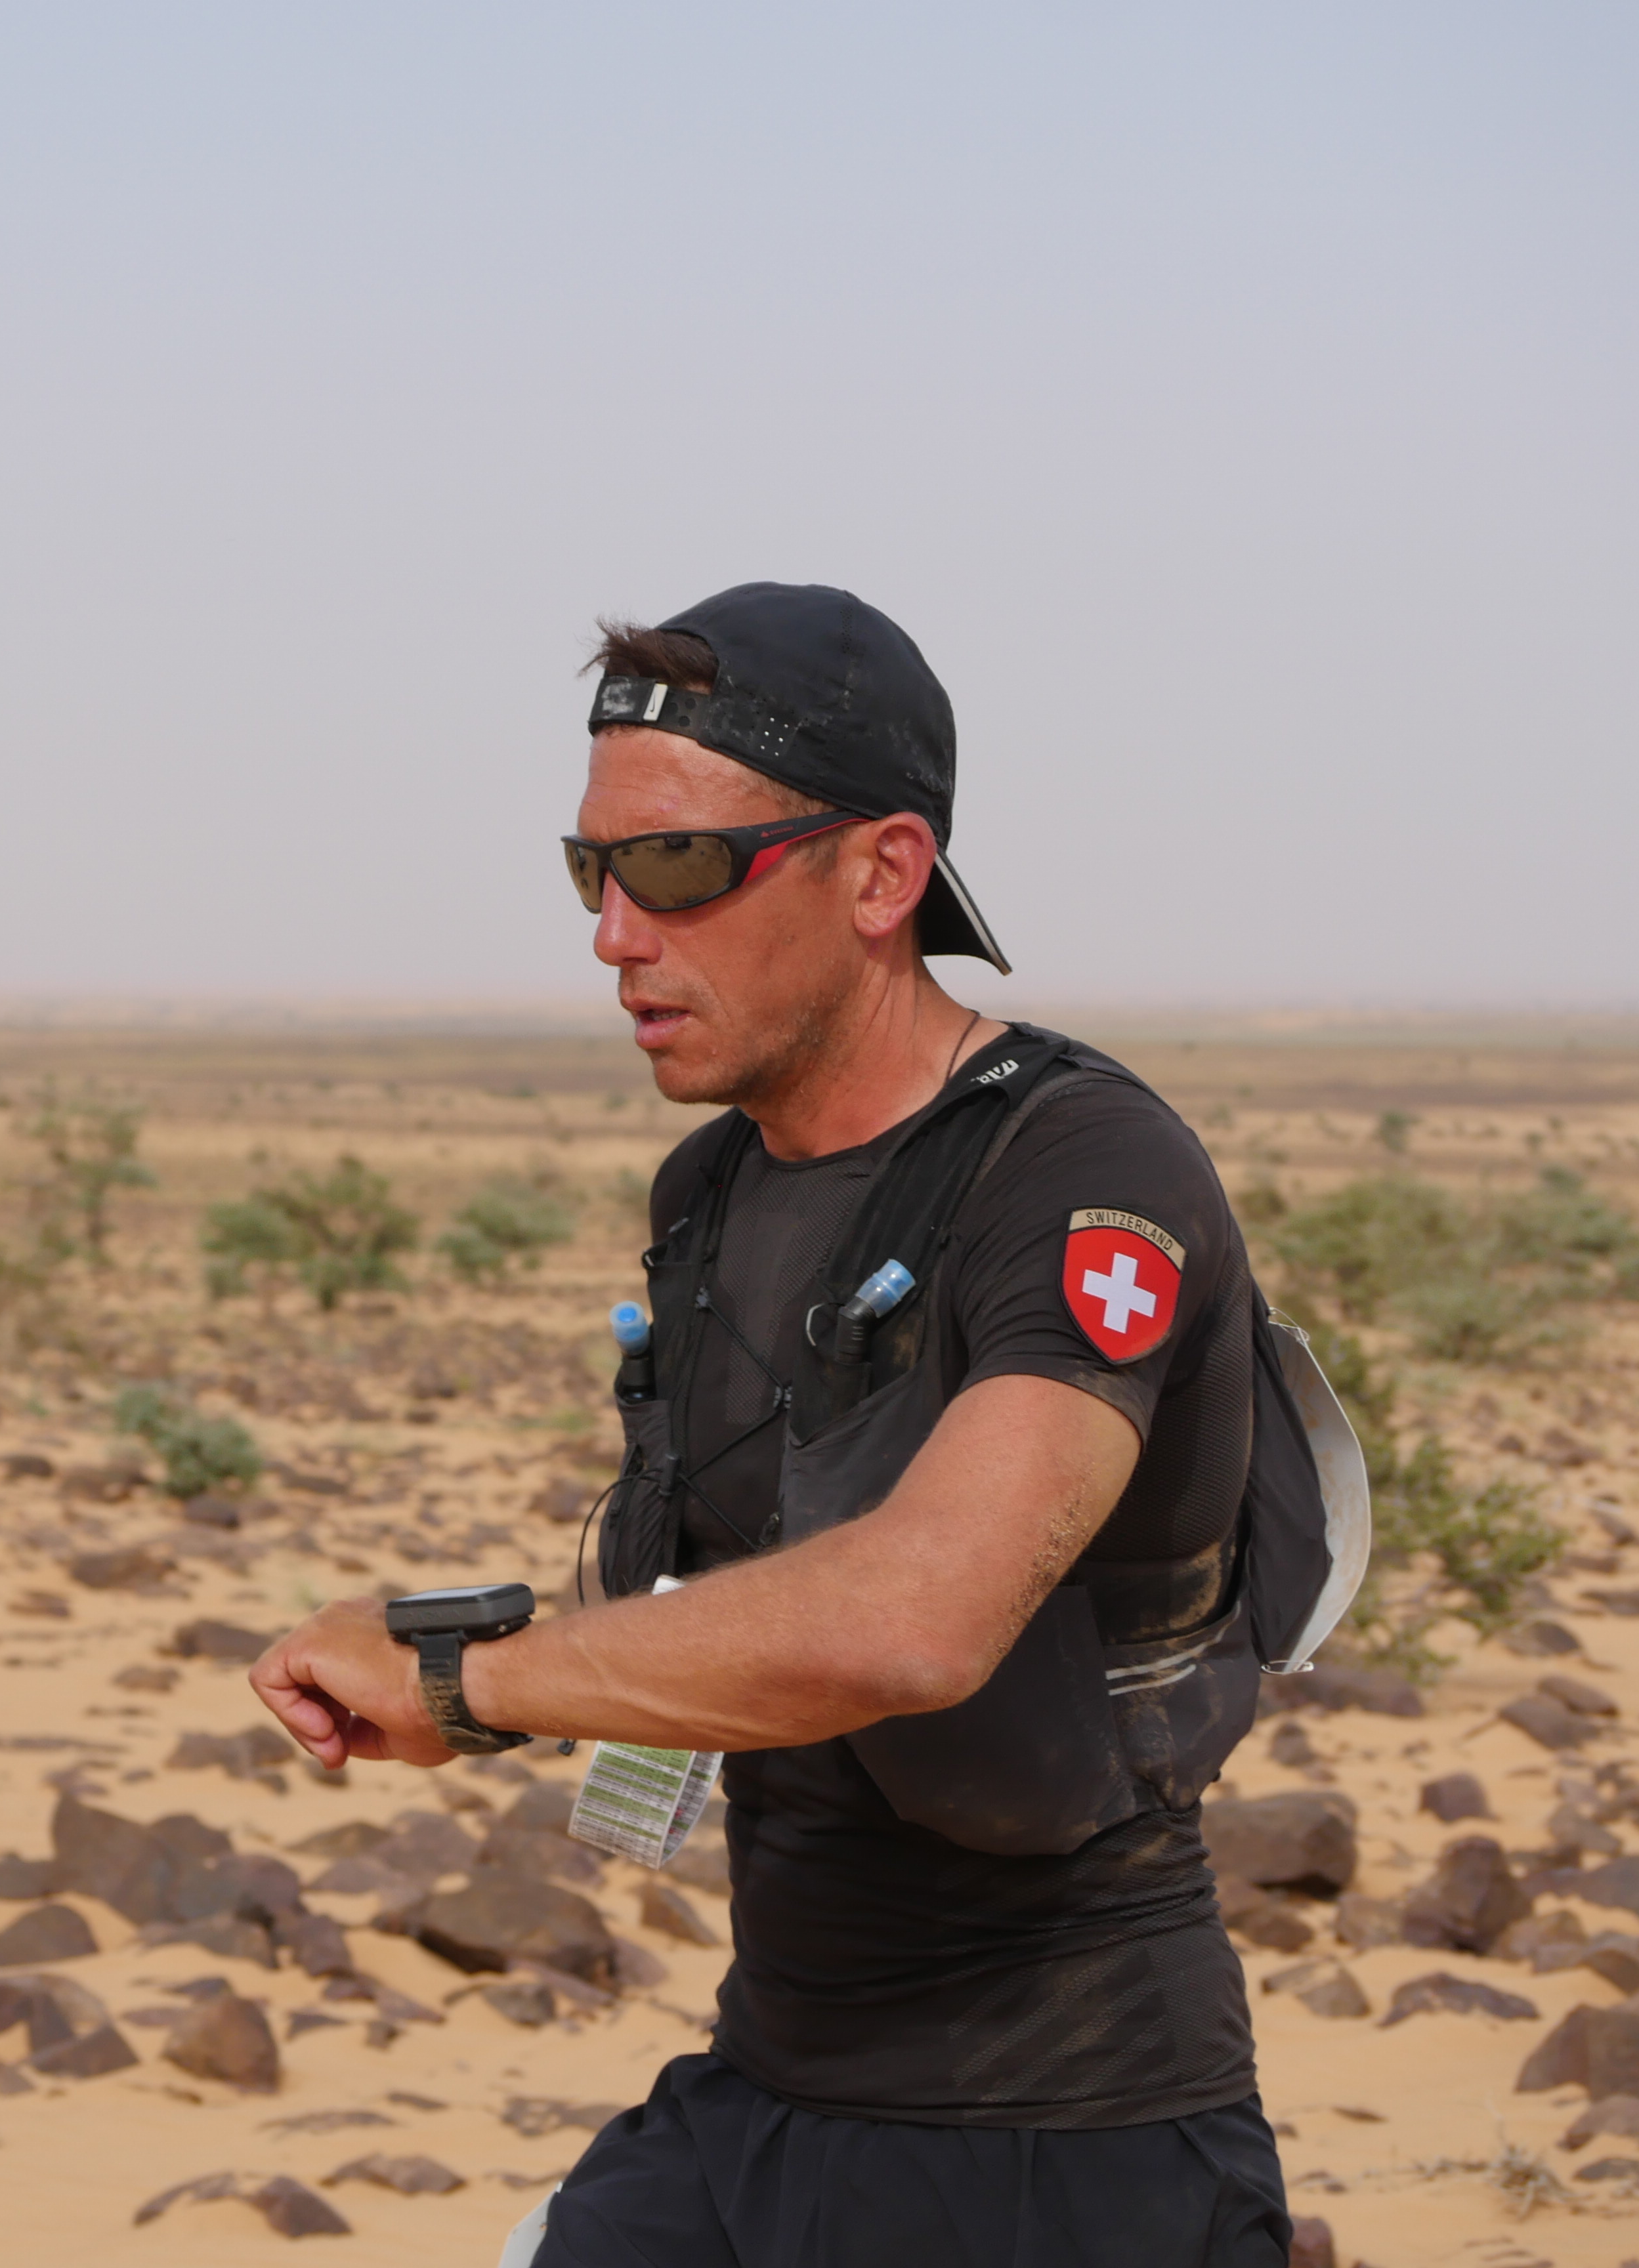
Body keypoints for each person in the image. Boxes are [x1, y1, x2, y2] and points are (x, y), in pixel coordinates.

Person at [251, 583, 1313, 2266]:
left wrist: (469, 1681)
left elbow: (914, 1620)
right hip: (764, 2102)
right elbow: (734, 1602)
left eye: (678, 866)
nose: (616, 934)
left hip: (1066, 2150)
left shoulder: (1076, 1170)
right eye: (593, 870)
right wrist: (478, 1684)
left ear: (884, 874)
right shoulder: (712, 1190)